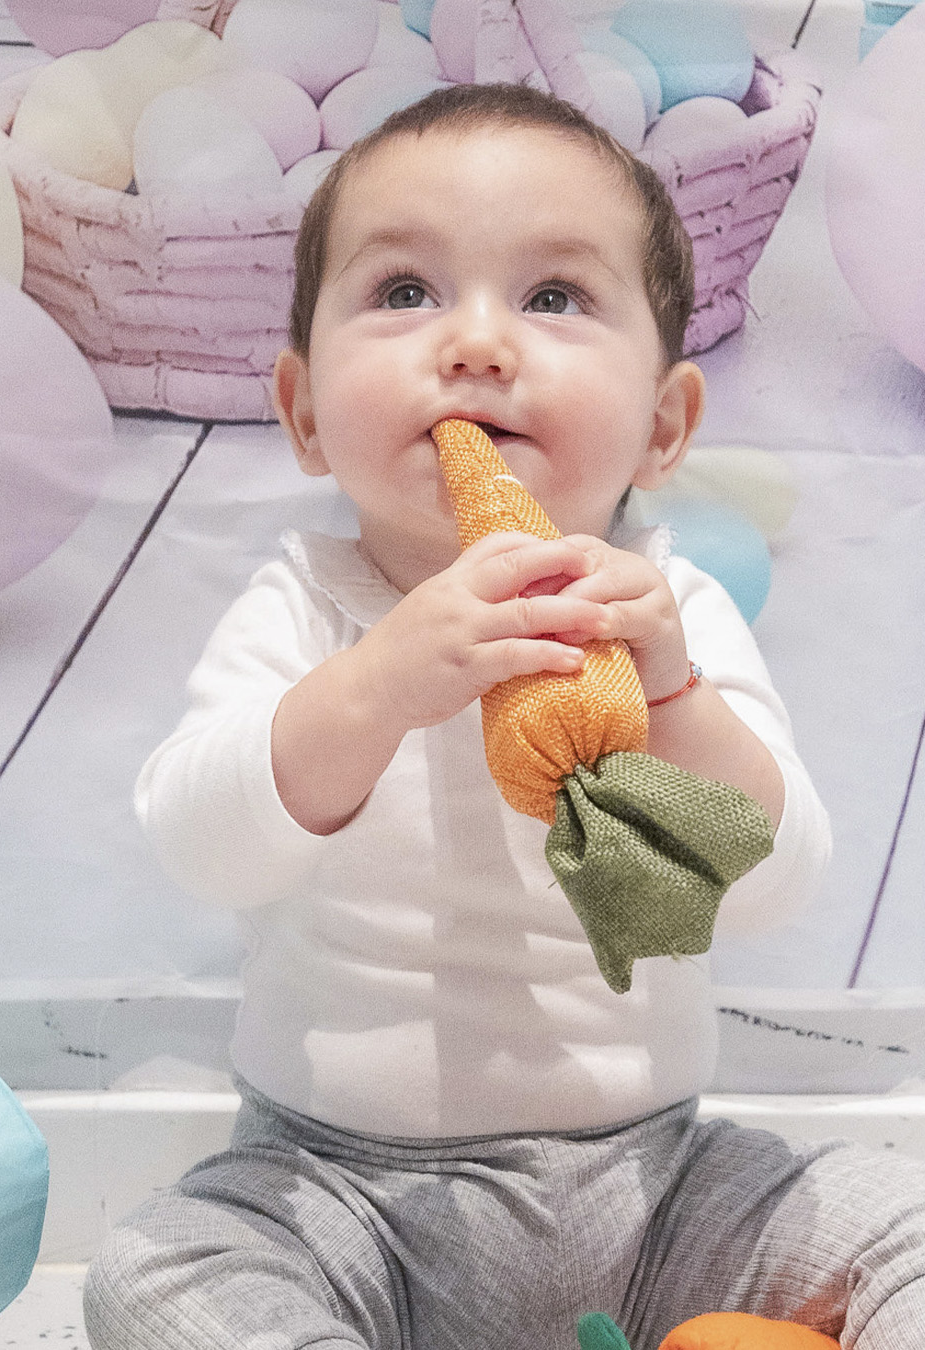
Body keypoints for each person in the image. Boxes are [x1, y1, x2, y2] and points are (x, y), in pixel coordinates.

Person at [84, 84, 925, 1349]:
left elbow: (768, 884)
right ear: (304, 412)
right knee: (153, 1273)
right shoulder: (305, 608)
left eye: (555, 298)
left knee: (905, 1222)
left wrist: (671, 693)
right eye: (404, 291)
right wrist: (377, 686)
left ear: (663, 427)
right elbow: (204, 844)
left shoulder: (670, 614)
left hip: (657, 1188)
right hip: (335, 1190)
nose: (476, 343)